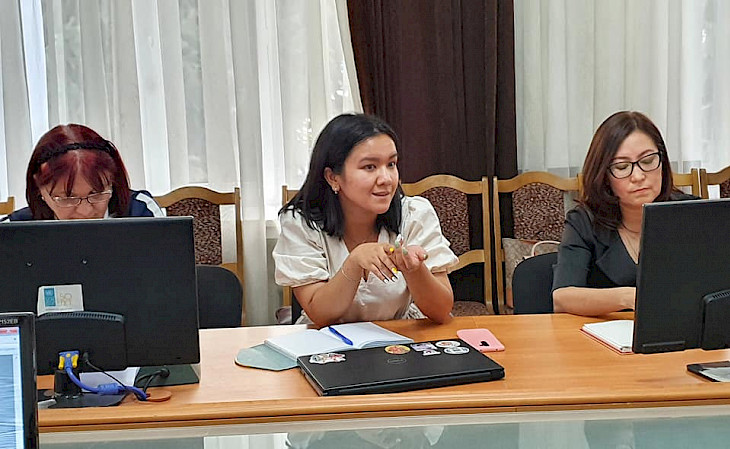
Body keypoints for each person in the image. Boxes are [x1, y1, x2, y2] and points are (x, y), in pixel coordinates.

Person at [273, 114, 458, 327]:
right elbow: (320, 315)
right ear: (333, 177)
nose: (386, 179)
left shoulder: (415, 213)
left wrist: (414, 270)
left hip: (399, 335)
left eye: (391, 164)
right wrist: (353, 264)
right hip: (329, 338)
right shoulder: (301, 223)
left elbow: (441, 311)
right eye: (370, 167)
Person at [552, 111, 696, 316]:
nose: (638, 176)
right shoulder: (584, 221)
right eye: (622, 166)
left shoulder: (692, 214)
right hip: (603, 333)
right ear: (604, 175)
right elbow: (562, 298)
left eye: (648, 161)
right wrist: (628, 297)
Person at [3, 124, 163, 221]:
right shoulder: (14, 232)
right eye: (67, 198)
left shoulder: (141, 213)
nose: (85, 212)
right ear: (39, 189)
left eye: (97, 194)